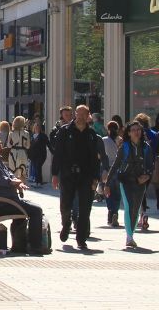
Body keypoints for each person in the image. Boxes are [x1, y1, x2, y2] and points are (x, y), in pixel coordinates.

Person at [51, 105, 106, 249]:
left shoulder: (92, 135)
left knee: (85, 207)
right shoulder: (65, 131)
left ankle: (81, 238)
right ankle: (66, 224)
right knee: (66, 204)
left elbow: (95, 158)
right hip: (68, 174)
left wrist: (96, 178)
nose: (80, 117)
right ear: (75, 114)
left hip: (86, 175)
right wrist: (55, 174)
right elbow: (58, 154)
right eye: (78, 113)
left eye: (84, 114)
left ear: (88, 115)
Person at [0, 134, 49, 255]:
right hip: (1, 203)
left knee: (29, 208)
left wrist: (17, 182)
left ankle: (19, 246)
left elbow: (9, 174)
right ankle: (35, 246)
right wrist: (12, 182)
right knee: (36, 211)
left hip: (8, 200)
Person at [106, 120, 154, 248]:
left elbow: (150, 165)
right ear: (128, 133)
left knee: (136, 209)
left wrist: (147, 175)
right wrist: (107, 183)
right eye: (133, 130)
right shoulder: (125, 147)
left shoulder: (146, 147)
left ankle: (131, 234)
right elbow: (116, 165)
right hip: (126, 180)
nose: (136, 132)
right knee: (128, 207)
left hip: (140, 181)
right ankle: (129, 237)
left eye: (139, 130)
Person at [102, 120, 122, 227]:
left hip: (107, 168)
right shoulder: (120, 140)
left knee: (108, 191)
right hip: (118, 169)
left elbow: (100, 154)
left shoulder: (104, 140)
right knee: (117, 193)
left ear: (108, 129)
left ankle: (110, 211)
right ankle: (115, 212)